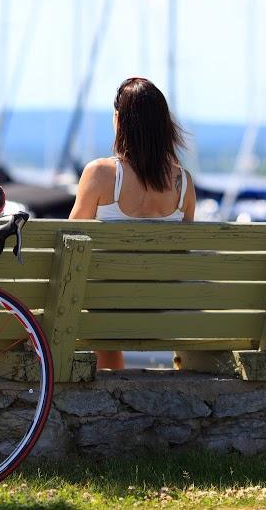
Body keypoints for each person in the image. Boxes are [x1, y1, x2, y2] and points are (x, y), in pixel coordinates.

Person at [69, 77, 196, 370]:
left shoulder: (100, 174)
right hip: (165, 308)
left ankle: (111, 386)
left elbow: (69, 242)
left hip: (105, 309)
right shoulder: (184, 184)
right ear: (164, 126)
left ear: (119, 120)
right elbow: (184, 256)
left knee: (99, 303)